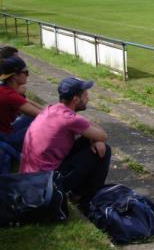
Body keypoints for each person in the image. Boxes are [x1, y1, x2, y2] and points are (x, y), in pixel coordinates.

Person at [20, 77, 111, 211]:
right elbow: (103, 135)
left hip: (30, 176)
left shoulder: (52, 109)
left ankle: (80, 192)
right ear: (76, 99)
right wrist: (98, 140)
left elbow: (92, 132)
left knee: (87, 139)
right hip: (46, 183)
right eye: (85, 95)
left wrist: (94, 139)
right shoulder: (69, 119)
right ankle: (84, 197)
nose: (88, 98)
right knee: (104, 151)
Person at [0, 56, 41, 151]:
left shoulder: (5, 89)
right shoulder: (10, 95)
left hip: (5, 131)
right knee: (45, 122)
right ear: (14, 76)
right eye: (25, 72)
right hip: (6, 138)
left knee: (31, 117)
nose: (27, 75)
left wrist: (49, 109)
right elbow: (41, 114)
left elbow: (29, 105)